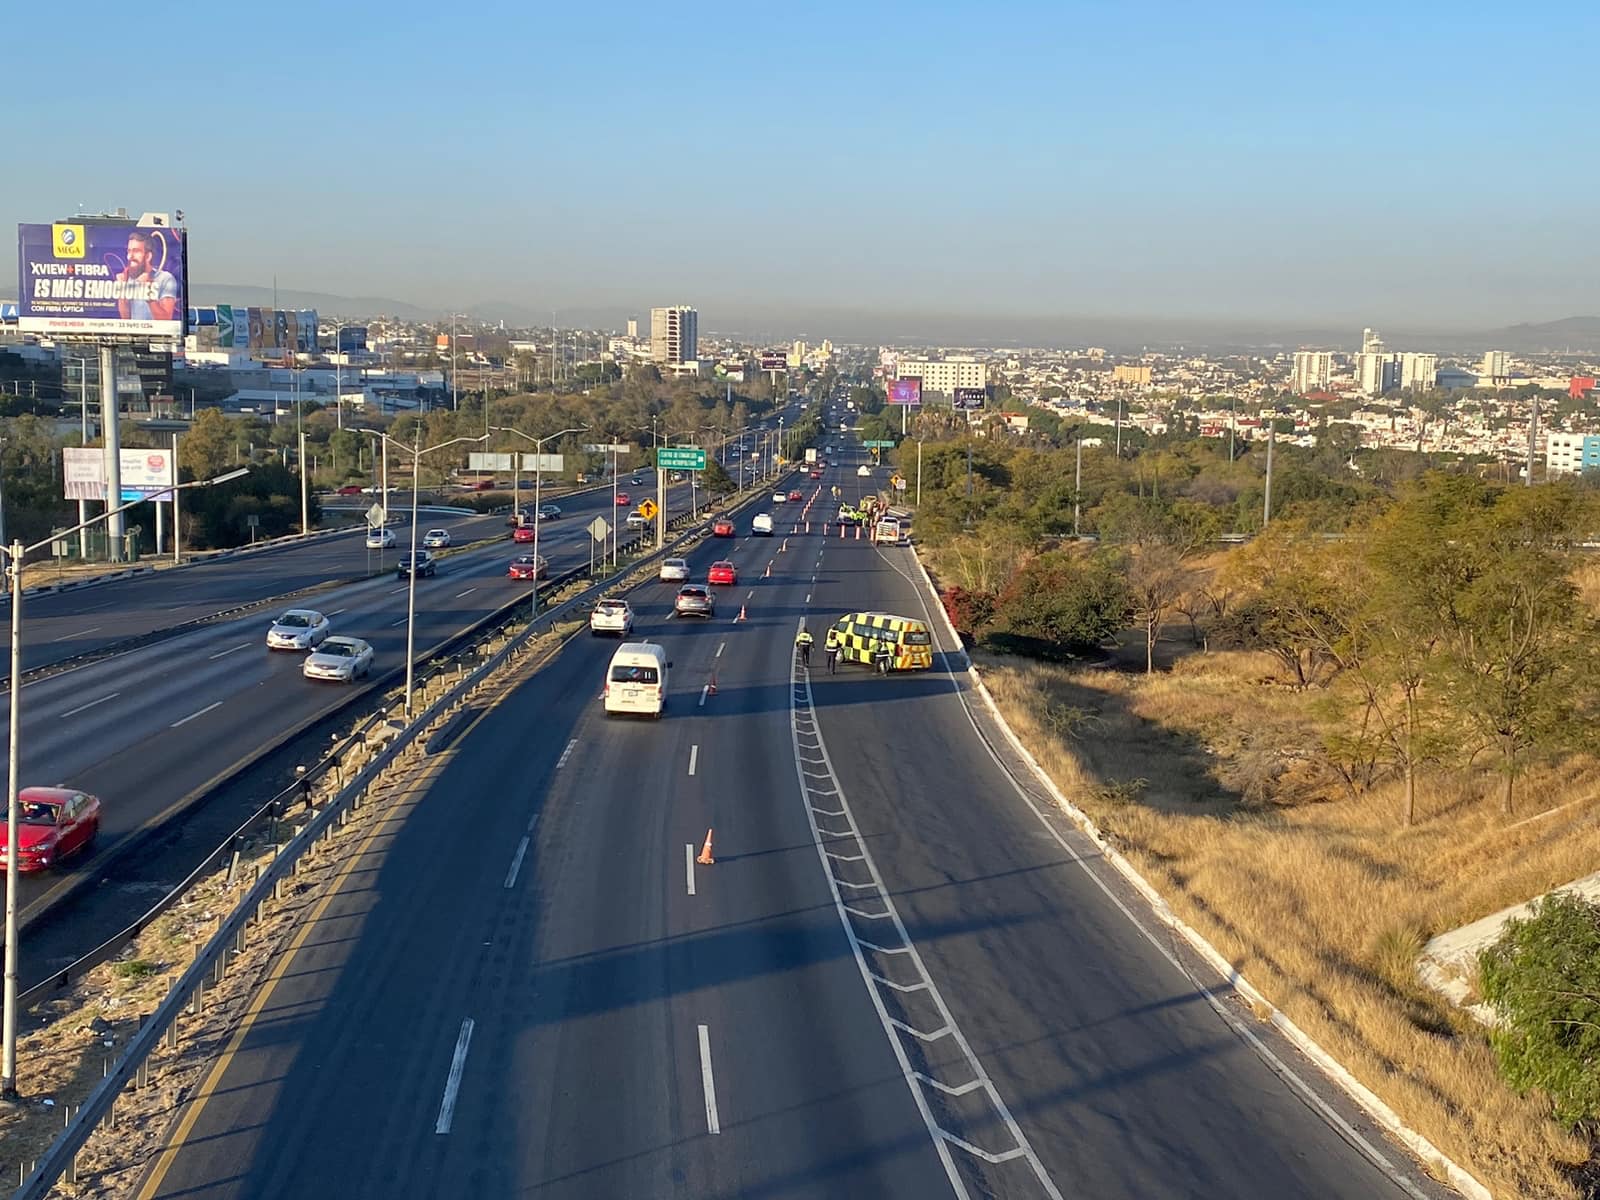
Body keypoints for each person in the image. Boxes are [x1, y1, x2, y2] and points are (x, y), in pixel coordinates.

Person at [115, 229, 180, 322]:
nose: (130, 256)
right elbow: (126, 319)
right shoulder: (127, 279)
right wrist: (122, 293)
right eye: (129, 251)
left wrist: (150, 296)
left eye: (136, 251)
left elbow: (166, 320)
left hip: (158, 336)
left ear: (148, 256)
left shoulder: (165, 278)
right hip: (134, 335)